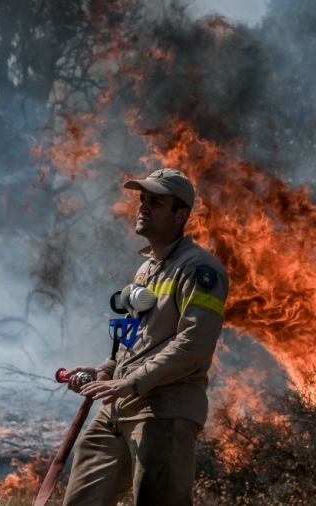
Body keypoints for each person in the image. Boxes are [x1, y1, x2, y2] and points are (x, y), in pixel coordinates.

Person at [62, 168, 229, 506]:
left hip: (163, 411)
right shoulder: (145, 269)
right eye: (142, 199)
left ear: (181, 215)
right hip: (119, 406)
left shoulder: (199, 270)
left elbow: (194, 345)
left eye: (156, 202)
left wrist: (133, 382)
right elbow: (135, 342)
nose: (143, 207)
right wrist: (105, 370)